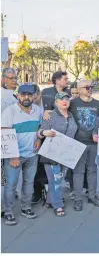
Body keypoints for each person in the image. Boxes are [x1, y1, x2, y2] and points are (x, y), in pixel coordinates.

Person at [1, 84, 41, 226]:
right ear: (17, 96)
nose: (26, 97)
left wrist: (39, 139)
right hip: (14, 156)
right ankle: (8, 212)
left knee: (28, 182)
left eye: (29, 95)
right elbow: (5, 135)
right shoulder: (9, 111)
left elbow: (40, 128)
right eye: (23, 94)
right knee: (11, 185)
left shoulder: (38, 110)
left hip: (32, 154)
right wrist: (13, 156)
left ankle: (26, 207)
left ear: (34, 96)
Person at [37, 92, 78, 217]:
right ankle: (58, 205)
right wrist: (45, 132)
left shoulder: (71, 115)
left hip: (66, 153)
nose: (64, 101)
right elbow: (40, 132)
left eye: (67, 99)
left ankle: (51, 200)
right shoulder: (50, 115)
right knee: (56, 179)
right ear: (56, 102)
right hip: (51, 153)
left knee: (58, 179)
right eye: (61, 100)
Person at [70, 80, 99, 211]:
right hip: (77, 142)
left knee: (93, 170)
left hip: (94, 143)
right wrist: (47, 113)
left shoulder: (97, 104)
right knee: (78, 171)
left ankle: (92, 195)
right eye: (87, 87)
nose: (90, 89)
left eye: (91, 87)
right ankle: (78, 199)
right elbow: (59, 112)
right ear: (78, 89)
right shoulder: (72, 103)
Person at [1, 68, 18, 218]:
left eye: (15, 78)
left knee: (8, 174)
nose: (13, 81)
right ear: (3, 79)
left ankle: (7, 202)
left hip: (10, 140)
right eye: (10, 78)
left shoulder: (15, 97)